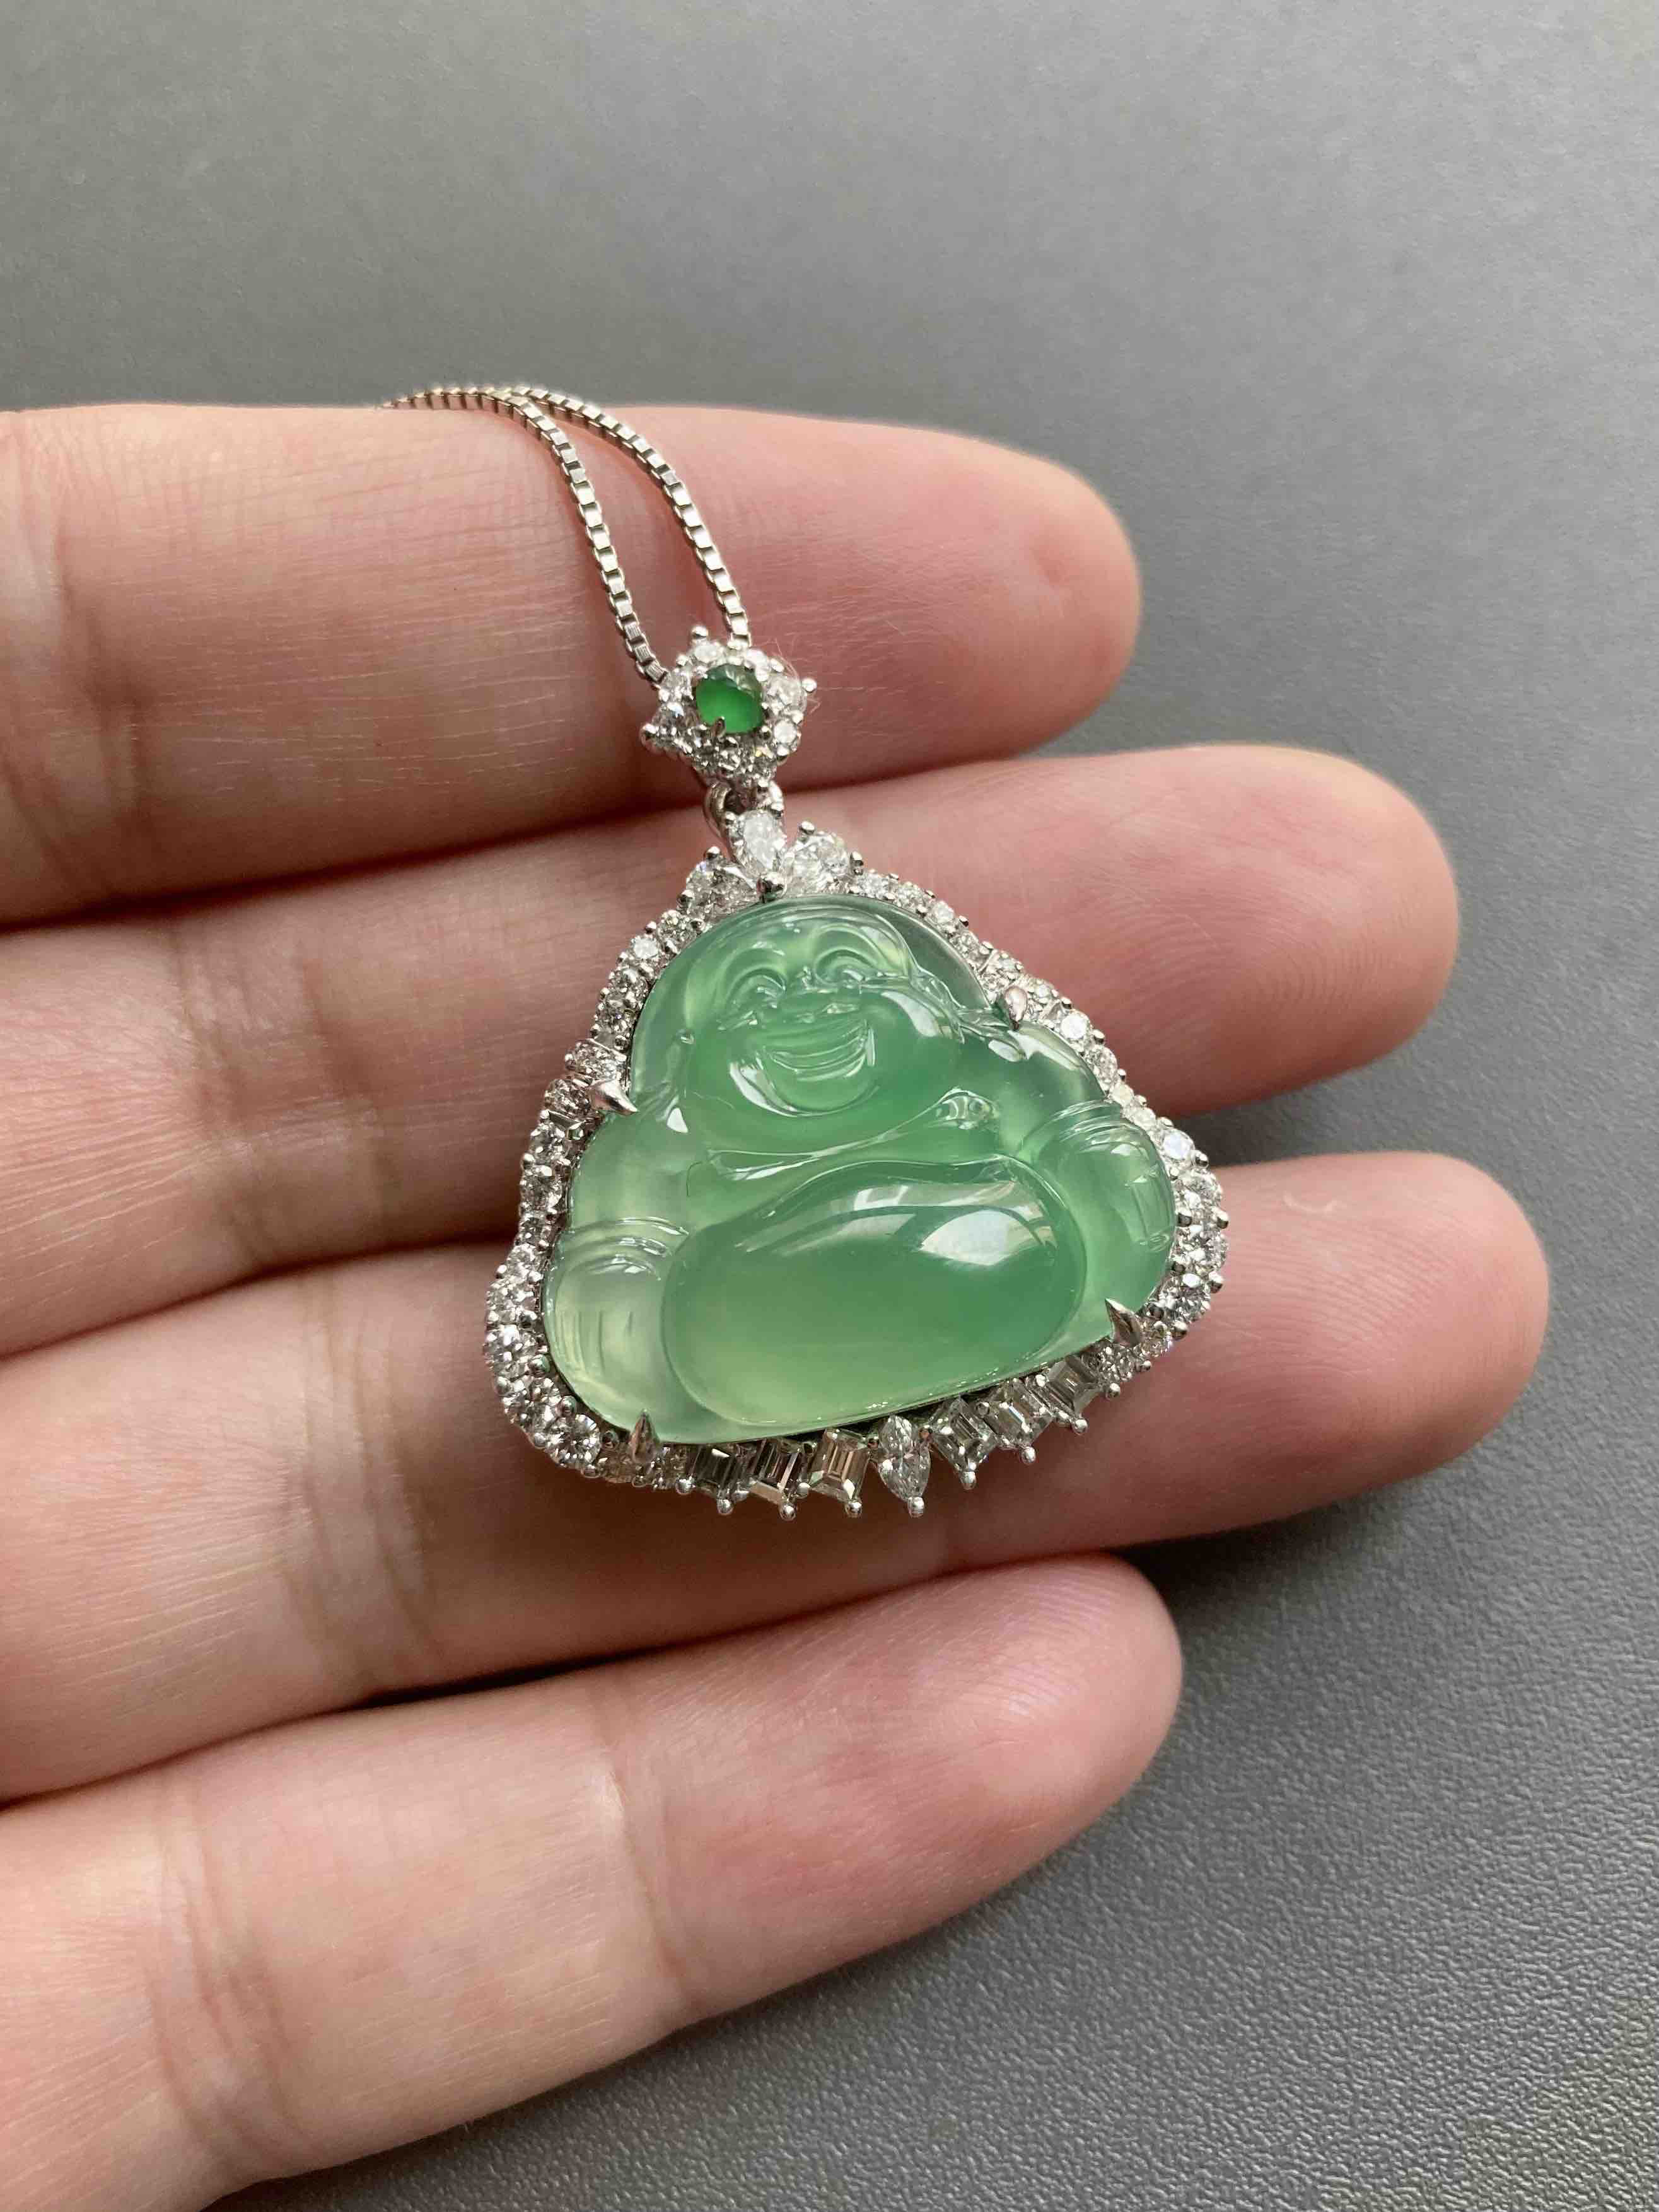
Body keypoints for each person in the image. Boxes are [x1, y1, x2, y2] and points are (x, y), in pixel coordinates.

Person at [0, 400, 1547, 2209]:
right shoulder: (660, 1154)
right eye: (763, 1017)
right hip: (753, 1303)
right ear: (681, 1060)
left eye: (850, 1003)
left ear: (935, 1017)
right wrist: (693, 1291)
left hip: (979, 1245)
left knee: (1006, 1228)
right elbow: (604, 1306)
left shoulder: (994, 1090)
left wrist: (1026, 1183)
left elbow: (1109, 1174)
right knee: (720, 1308)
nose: (810, 1025)